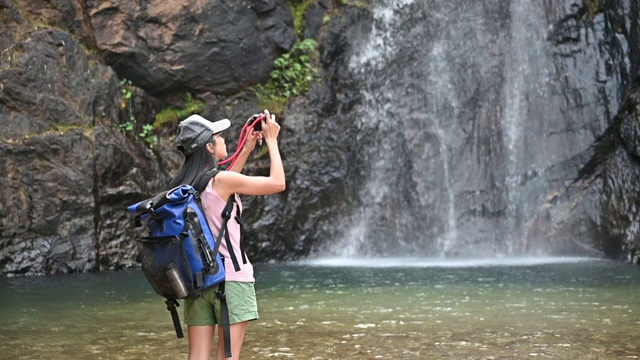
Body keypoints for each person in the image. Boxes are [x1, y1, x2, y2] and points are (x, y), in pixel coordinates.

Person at [168, 110, 285, 360]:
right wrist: (272, 140)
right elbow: (278, 183)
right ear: (209, 146)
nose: (223, 140)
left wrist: (246, 150)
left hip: (199, 281)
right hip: (231, 279)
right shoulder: (221, 181)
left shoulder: (185, 186)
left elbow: (222, 193)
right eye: (219, 136)